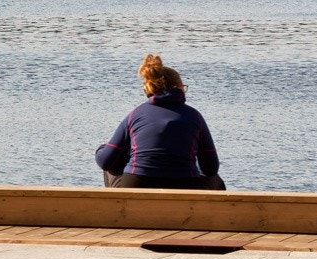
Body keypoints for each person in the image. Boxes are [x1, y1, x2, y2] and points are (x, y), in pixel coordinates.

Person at [95, 54, 224, 190]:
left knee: (111, 166)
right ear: (179, 88)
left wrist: (101, 148)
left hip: (136, 187)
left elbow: (105, 161)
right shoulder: (194, 116)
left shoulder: (135, 114)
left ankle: (120, 210)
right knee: (216, 180)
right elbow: (211, 169)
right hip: (185, 187)